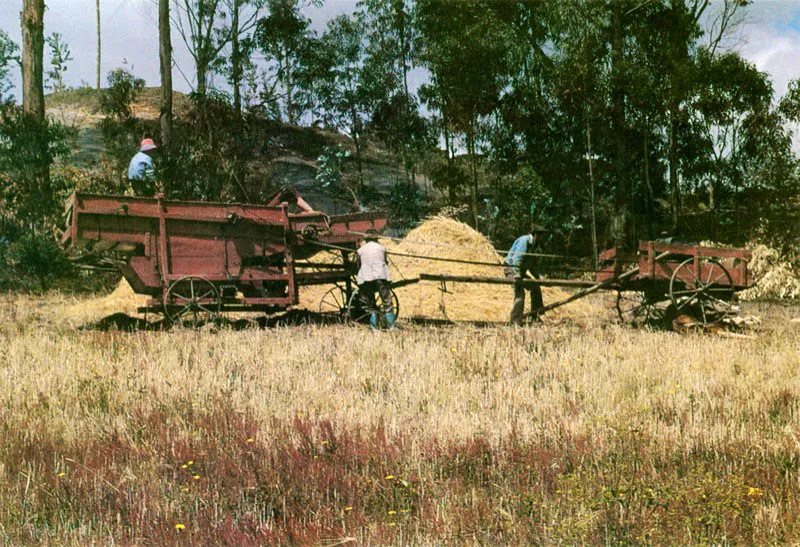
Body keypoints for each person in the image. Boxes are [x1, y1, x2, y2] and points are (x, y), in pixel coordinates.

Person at [503, 224, 546, 324]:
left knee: (535, 287)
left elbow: (532, 266)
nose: (543, 239)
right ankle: (515, 320)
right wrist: (517, 274)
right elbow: (517, 258)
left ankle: (535, 316)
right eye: (542, 236)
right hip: (511, 269)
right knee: (520, 292)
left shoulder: (536, 246)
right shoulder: (524, 241)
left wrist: (539, 278)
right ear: (536, 235)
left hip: (520, 270)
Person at [355, 230, 395, 329]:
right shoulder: (382, 248)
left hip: (366, 278)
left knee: (370, 302)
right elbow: (385, 261)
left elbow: (358, 265)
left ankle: (374, 327)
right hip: (380, 276)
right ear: (376, 238)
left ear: (366, 239)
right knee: (387, 301)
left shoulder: (361, 250)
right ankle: (391, 326)